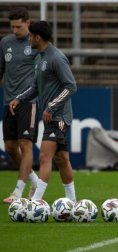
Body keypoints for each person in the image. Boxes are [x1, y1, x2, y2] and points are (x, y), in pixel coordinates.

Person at [9, 21, 77, 202]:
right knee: (62, 159)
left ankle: (35, 201)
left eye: (30, 36)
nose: (29, 39)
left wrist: (52, 106)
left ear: (37, 37)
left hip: (59, 117)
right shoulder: (39, 58)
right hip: (50, 116)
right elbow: (35, 86)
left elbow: (70, 86)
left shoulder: (57, 58)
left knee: (45, 156)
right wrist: (19, 98)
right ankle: (72, 202)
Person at [0, 7, 39, 203]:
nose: (15, 31)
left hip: (28, 102)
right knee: (9, 146)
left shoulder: (35, 43)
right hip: (8, 102)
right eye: (12, 27)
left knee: (26, 145)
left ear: (28, 23)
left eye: (18, 26)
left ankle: (18, 192)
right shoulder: (5, 42)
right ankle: (34, 180)